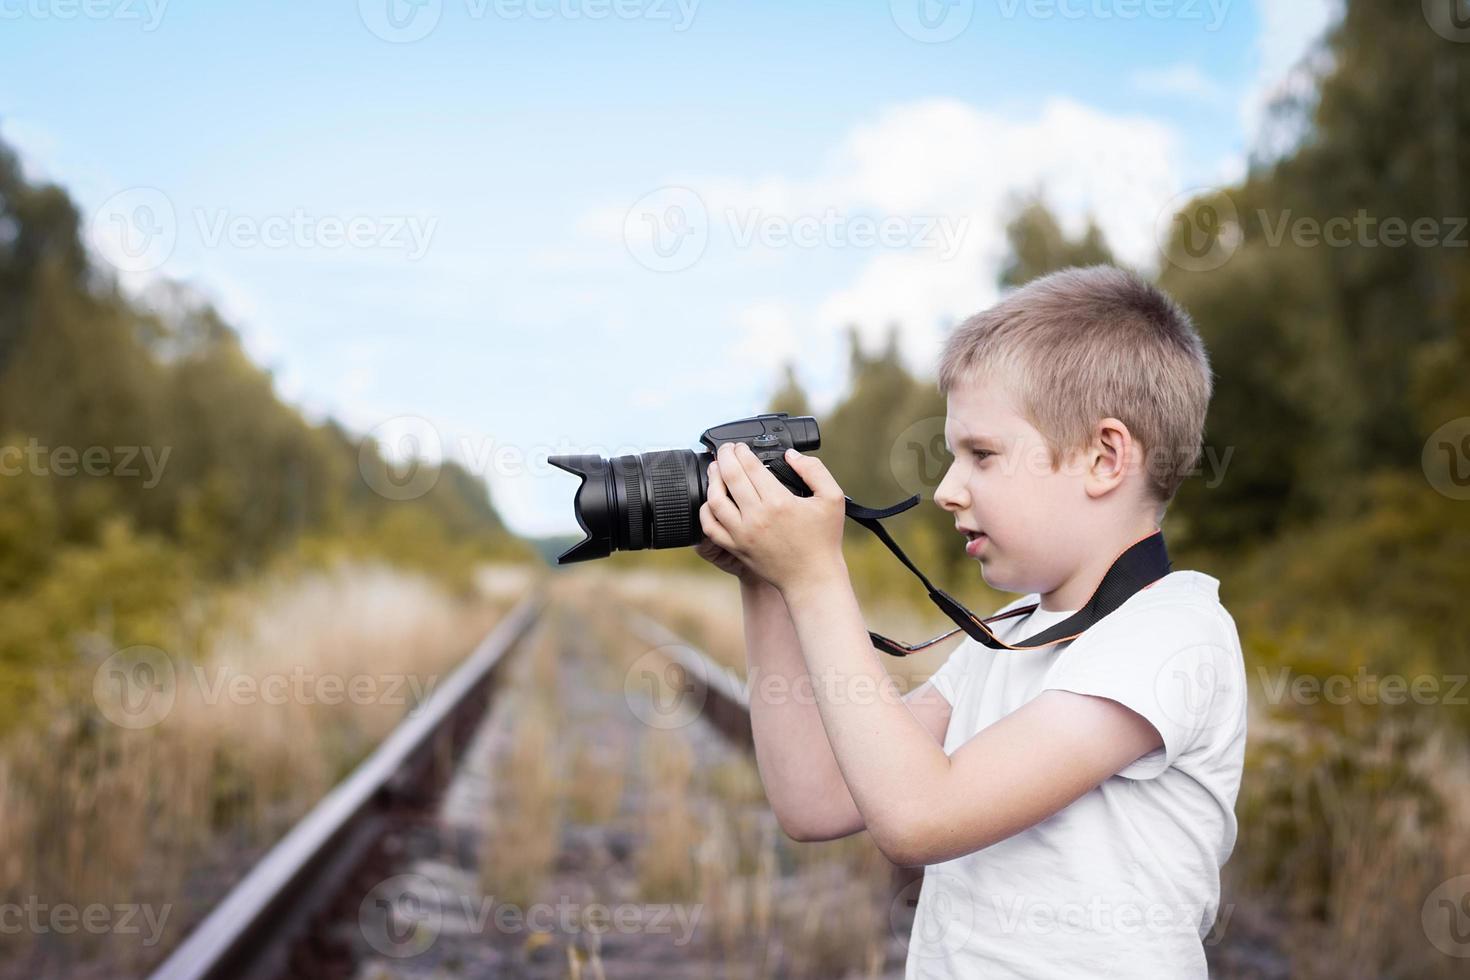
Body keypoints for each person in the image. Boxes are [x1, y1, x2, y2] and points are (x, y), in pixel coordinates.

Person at [696, 265, 1247, 978]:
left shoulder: (1170, 634)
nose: (948, 490)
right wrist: (766, 581)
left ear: (1105, 457)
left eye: (981, 455)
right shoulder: (1012, 634)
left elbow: (920, 816)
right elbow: (816, 799)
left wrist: (816, 577)